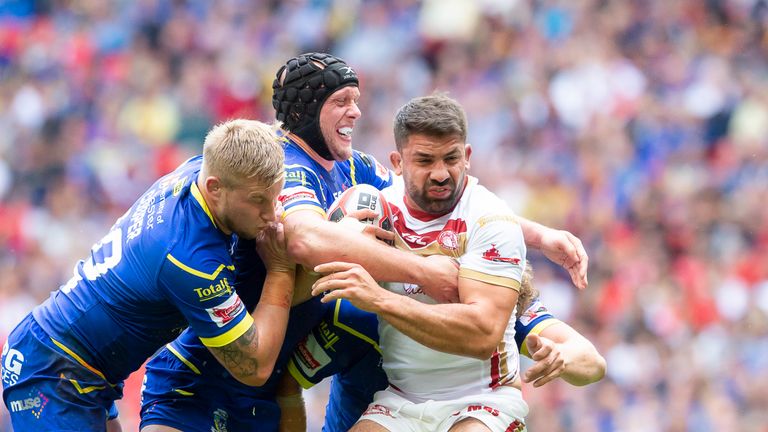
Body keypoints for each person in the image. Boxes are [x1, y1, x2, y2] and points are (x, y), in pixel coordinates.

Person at [139, 53, 591, 432]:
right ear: (307, 109)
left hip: (268, 382)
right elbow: (302, 239)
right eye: (342, 101)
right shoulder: (286, 164)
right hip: (207, 372)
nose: (356, 111)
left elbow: (448, 202)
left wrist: (539, 235)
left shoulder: (357, 169)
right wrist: (423, 272)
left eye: (356, 100)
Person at [0, 119, 296, 432]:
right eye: (258, 200)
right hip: (54, 369)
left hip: (81, 366)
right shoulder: (189, 258)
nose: (271, 212)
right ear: (215, 188)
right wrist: (280, 270)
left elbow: (244, 146)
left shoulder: (202, 168)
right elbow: (255, 366)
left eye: (274, 196)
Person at [311, 93, 555, 431]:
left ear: (467, 156)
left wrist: (379, 298)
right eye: (425, 161)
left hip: (483, 400)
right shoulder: (372, 210)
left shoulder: (491, 220)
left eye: (451, 158)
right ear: (397, 163)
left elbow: (483, 333)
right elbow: (308, 248)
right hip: (401, 400)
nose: (441, 173)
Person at [286, 261, 606, 431]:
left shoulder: (498, 308)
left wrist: (561, 356)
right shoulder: (357, 316)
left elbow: (591, 361)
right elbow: (286, 386)